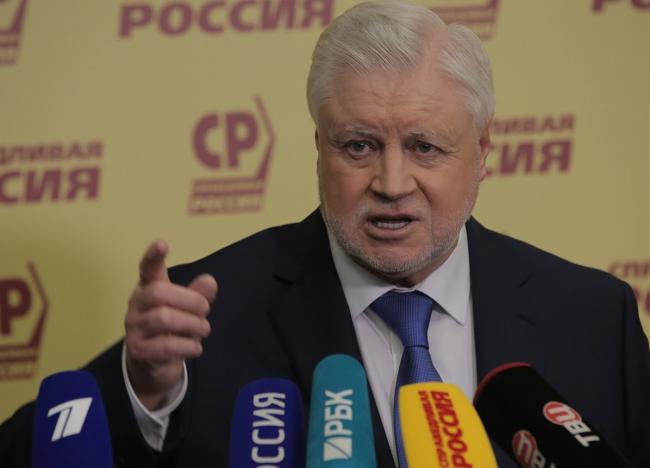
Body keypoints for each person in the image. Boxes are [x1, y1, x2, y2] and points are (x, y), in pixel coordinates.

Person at [1, 1, 649, 467]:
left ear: (482, 152)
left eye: (424, 147)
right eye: (358, 146)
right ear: (319, 148)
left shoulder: (593, 315)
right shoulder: (205, 313)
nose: (391, 182)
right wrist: (143, 391)